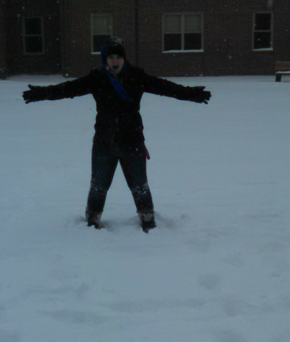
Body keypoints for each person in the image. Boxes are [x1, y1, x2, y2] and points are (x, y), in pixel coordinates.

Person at [22, 37, 211, 233]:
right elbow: (68, 89)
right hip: (104, 142)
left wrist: (192, 94)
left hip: (133, 141)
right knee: (98, 186)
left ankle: (148, 221)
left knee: (140, 186)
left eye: (118, 57)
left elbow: (165, 87)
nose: (115, 61)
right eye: (111, 57)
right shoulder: (97, 79)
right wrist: (41, 93)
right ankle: (92, 221)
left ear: (124, 59)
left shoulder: (137, 77)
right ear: (105, 60)